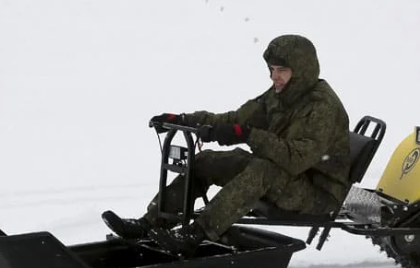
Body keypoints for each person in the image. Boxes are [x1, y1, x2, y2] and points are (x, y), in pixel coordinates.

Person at [103, 34, 351, 254]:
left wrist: (248, 135)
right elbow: (237, 119)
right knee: (206, 161)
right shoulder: (281, 94)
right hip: (286, 177)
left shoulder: (322, 107)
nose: (274, 76)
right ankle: (149, 223)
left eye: (282, 70)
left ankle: (196, 234)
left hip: (318, 193)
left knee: (262, 170)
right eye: (272, 69)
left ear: (302, 70)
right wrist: (186, 120)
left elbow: (297, 160)